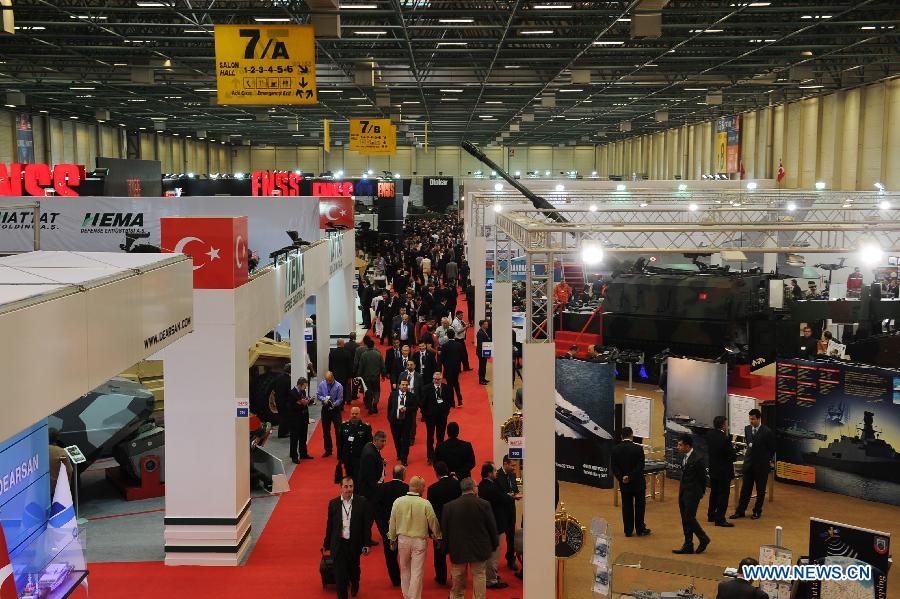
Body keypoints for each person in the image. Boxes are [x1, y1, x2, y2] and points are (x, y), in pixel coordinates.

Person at [441, 477, 500, 599]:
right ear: (473, 488)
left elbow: (445, 531)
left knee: (458, 577)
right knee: (479, 575)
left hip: (458, 548)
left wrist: (445, 548)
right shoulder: (484, 504)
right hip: (480, 548)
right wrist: (494, 544)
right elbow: (492, 527)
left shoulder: (449, 507)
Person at [388, 476, 442, 599]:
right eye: (423, 486)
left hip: (402, 540)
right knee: (417, 572)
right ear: (418, 488)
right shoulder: (425, 503)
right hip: (419, 541)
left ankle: (407, 596)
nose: (424, 489)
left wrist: (391, 538)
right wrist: (438, 536)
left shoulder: (398, 501)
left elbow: (392, 522)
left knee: (405, 569)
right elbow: (433, 521)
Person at [323, 477, 373, 599]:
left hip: (354, 544)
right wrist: (326, 544)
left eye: (351, 486)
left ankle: (355, 584)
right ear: (340, 487)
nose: (349, 489)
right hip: (338, 545)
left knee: (354, 571)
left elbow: (366, 525)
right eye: (346, 486)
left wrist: (367, 544)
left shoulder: (361, 502)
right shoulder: (333, 503)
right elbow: (330, 525)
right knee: (340, 577)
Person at [730, 409, 775, 521]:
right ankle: (740, 511)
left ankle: (757, 511)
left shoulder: (767, 432)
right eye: (750, 419)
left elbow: (772, 449)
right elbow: (749, 445)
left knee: (760, 491)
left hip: (761, 467)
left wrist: (765, 460)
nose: (751, 421)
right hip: (749, 465)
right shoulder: (747, 429)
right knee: (745, 490)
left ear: (759, 419)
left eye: (753, 419)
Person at [477, 462, 514, 589]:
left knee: (492, 553)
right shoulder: (489, 488)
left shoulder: (485, 484)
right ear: (489, 473)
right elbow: (502, 498)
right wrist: (512, 497)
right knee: (493, 554)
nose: (496, 472)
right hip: (494, 525)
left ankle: (491, 575)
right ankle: (491, 580)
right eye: (494, 471)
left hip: (492, 524)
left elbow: (501, 495)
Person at [673, 434, 710, 555]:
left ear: (688, 446)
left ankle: (703, 538)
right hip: (683, 492)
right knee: (685, 519)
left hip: (693, 493)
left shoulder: (698, 459)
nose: (678, 447)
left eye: (680, 445)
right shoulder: (684, 457)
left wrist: (700, 493)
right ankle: (688, 544)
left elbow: (702, 478)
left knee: (689, 518)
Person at [610, 427, 651, 537]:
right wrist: (631, 476)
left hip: (624, 484)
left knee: (626, 506)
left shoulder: (615, 449)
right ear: (632, 435)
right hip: (638, 483)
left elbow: (614, 467)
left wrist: (622, 477)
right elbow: (640, 466)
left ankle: (628, 531)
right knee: (639, 506)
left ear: (621, 436)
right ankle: (640, 529)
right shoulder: (638, 449)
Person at [427, 462, 462, 586]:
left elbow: (431, 512)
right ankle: (458, 577)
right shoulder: (457, 485)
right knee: (457, 553)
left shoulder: (432, 489)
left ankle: (441, 577)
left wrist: (432, 531)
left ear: (436, 473)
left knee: (439, 554)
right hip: (456, 525)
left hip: (440, 525)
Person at [374, 464, 409, 587]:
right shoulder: (407, 489)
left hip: (388, 529)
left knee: (390, 556)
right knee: (406, 556)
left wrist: (383, 529)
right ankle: (406, 578)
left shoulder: (382, 488)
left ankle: (395, 580)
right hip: (404, 530)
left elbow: (377, 510)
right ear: (403, 475)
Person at [707, 416, 736, 527]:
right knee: (723, 495)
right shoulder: (725, 438)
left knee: (714, 493)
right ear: (723, 425)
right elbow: (732, 456)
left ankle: (711, 515)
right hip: (724, 472)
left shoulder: (709, 435)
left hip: (713, 469)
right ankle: (720, 519)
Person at [495, 456, 523, 570]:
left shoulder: (512, 474)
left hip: (511, 511)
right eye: (512, 465)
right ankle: (494, 564)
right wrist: (511, 496)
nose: (514, 468)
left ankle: (510, 559)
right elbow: (499, 494)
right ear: (505, 464)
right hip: (500, 512)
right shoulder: (496, 476)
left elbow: (514, 490)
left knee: (511, 538)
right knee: (498, 539)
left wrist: (516, 494)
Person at [422, 372, 452, 464]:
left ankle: (439, 455)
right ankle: (430, 456)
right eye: (434, 378)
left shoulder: (446, 388)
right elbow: (423, 402)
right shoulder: (427, 388)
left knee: (440, 436)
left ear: (441, 379)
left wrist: (446, 413)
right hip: (430, 417)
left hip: (442, 417)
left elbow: (449, 401)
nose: (436, 380)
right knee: (430, 436)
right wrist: (426, 414)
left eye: (438, 379)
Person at [388, 379, 417, 465]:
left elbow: (415, 407)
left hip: (406, 422)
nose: (404, 386)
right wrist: (390, 418)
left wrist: (407, 409)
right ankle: (399, 454)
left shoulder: (411, 396)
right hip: (395, 421)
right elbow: (389, 407)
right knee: (396, 439)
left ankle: (404, 458)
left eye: (406, 385)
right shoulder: (393, 394)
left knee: (405, 440)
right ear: (399, 385)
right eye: (403, 384)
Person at [339, 407, 373, 481]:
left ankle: (357, 492)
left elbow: (369, 444)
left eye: (356, 414)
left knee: (358, 478)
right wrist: (340, 457)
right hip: (347, 457)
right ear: (350, 414)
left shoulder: (365, 427)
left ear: (360, 415)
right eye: (352, 414)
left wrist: (368, 458)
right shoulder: (343, 426)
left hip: (359, 458)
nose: (354, 415)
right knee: (349, 477)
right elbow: (340, 443)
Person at [317, 371, 345, 458]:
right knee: (326, 431)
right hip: (325, 410)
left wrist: (334, 404)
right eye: (326, 380)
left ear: (332, 378)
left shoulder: (339, 386)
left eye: (329, 380)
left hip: (335, 410)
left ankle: (340, 452)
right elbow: (318, 395)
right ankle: (328, 450)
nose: (328, 382)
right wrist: (323, 399)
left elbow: (340, 399)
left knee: (338, 431)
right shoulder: (322, 384)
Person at [285, 377, 313, 463]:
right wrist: (301, 404)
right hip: (295, 420)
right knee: (294, 439)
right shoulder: (291, 393)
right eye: (304, 386)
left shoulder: (303, 392)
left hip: (304, 418)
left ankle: (303, 453)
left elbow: (302, 402)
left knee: (303, 437)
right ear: (300, 385)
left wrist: (309, 401)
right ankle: (294, 456)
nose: (305, 388)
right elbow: (290, 407)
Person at [357, 336, 385, 414]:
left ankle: (369, 407)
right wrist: (383, 375)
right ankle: (375, 403)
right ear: (373, 345)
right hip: (376, 377)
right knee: (376, 391)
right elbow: (382, 365)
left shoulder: (363, 355)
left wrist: (359, 376)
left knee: (368, 392)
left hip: (366, 378)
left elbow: (361, 367)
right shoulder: (378, 354)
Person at [439, 329, 467, 406]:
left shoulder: (444, 346)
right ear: (454, 335)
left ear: (447, 336)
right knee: (456, 382)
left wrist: (440, 369)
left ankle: (452, 402)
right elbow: (462, 357)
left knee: (450, 385)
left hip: (448, 369)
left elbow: (441, 359)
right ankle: (459, 398)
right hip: (457, 368)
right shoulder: (459, 345)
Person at [356, 431, 387, 501]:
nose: (384, 444)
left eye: (385, 441)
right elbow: (370, 477)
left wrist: (381, 460)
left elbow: (375, 457)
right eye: (382, 441)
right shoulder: (369, 455)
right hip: (369, 491)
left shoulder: (370, 446)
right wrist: (378, 490)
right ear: (375, 440)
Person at [401, 359, 423, 445]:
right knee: (402, 419)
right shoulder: (402, 374)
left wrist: (420, 403)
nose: (409, 366)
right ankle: (404, 435)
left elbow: (421, 390)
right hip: (403, 400)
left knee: (412, 421)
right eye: (408, 364)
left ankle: (412, 437)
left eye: (411, 364)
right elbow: (399, 386)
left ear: (414, 366)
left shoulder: (419, 376)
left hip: (413, 401)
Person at [476, 319, 492, 385]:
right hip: (481, 352)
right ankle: (481, 380)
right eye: (485, 324)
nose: (487, 325)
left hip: (484, 351)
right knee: (482, 366)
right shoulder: (480, 333)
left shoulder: (484, 331)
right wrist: (486, 352)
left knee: (484, 366)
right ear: (482, 325)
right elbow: (481, 344)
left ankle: (483, 378)